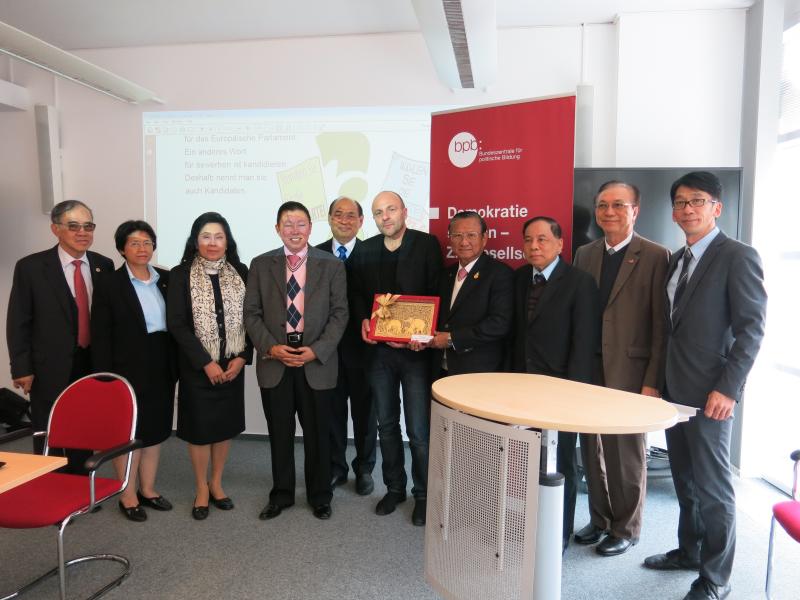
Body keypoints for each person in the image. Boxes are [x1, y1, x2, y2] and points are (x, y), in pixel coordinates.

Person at [643, 172, 766, 600]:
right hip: (675, 391)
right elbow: (669, 329)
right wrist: (656, 383)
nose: (688, 209)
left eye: (697, 201)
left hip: (713, 394)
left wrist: (728, 389)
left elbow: (752, 330)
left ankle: (716, 578)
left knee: (714, 489)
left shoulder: (738, 256)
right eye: (680, 202)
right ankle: (689, 551)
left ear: (717, 207)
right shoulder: (677, 259)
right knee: (685, 481)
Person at [572, 182, 670, 556]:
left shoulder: (656, 255)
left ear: (635, 210)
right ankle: (599, 520)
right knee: (591, 449)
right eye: (602, 205)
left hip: (630, 371)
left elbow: (661, 325)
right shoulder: (585, 253)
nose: (609, 212)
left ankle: (626, 528)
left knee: (625, 454)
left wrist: (652, 380)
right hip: (588, 369)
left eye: (618, 205)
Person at [244, 201, 348, 521]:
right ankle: (281, 494)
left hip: (315, 361)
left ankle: (320, 496)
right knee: (280, 433)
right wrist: (271, 348)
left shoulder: (331, 265)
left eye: (301, 223)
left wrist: (317, 350)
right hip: (276, 360)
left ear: (310, 228)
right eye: (287, 224)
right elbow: (251, 314)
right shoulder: (261, 264)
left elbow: (340, 314)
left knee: (318, 434)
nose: (294, 230)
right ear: (277, 229)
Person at [349, 190, 442, 526]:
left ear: (404, 211)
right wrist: (363, 319)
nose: (385, 216)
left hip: (415, 354)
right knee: (386, 425)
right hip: (379, 354)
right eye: (378, 212)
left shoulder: (426, 244)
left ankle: (423, 494)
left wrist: (424, 336)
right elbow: (357, 293)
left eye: (390, 209)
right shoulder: (366, 250)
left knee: (418, 430)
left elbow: (437, 292)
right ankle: (395, 488)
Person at [511, 216, 599, 550]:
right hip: (521, 388)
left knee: (561, 463)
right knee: (524, 460)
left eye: (542, 239)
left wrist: (574, 395)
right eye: (528, 240)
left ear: (560, 244)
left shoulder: (580, 282)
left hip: (561, 390)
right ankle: (528, 526)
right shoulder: (518, 278)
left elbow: (583, 343)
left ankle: (559, 533)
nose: (534, 246)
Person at [6, 199, 114, 473]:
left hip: (91, 363)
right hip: (48, 366)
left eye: (88, 226)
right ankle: (49, 482)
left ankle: (80, 480)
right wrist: (21, 368)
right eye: (74, 226)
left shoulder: (104, 265)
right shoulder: (31, 267)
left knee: (83, 425)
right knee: (48, 430)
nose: (83, 232)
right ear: (55, 229)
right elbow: (18, 321)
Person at [167, 212, 252, 520]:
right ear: (195, 241)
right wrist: (205, 362)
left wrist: (243, 357)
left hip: (232, 363)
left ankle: (216, 483)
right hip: (197, 366)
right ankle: (201, 487)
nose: (212, 242)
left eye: (219, 236)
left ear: (227, 241)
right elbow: (177, 325)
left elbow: (252, 318)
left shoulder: (241, 271)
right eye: (206, 236)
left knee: (224, 427)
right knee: (200, 430)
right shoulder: (180, 274)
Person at [92, 220, 177, 522]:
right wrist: (105, 377)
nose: (142, 249)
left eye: (147, 243)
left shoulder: (167, 278)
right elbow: (100, 334)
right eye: (134, 243)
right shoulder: (109, 284)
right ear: (121, 249)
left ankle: (148, 489)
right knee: (128, 433)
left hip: (162, 361)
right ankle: (127, 494)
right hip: (125, 367)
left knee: (154, 430)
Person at [315, 197, 377, 496]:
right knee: (332, 413)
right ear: (329, 219)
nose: (344, 220)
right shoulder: (314, 255)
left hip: (364, 350)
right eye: (338, 214)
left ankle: (364, 468)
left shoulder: (374, 253)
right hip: (327, 351)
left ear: (361, 221)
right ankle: (336, 468)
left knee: (365, 414)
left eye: (351, 215)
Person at [428, 210, 513, 377]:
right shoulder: (445, 274)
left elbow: (499, 324)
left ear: (484, 238)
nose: (464, 242)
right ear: (450, 239)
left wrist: (452, 339)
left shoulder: (500, 274)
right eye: (457, 235)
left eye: (471, 235)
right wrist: (419, 337)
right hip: (441, 368)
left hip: (478, 371)